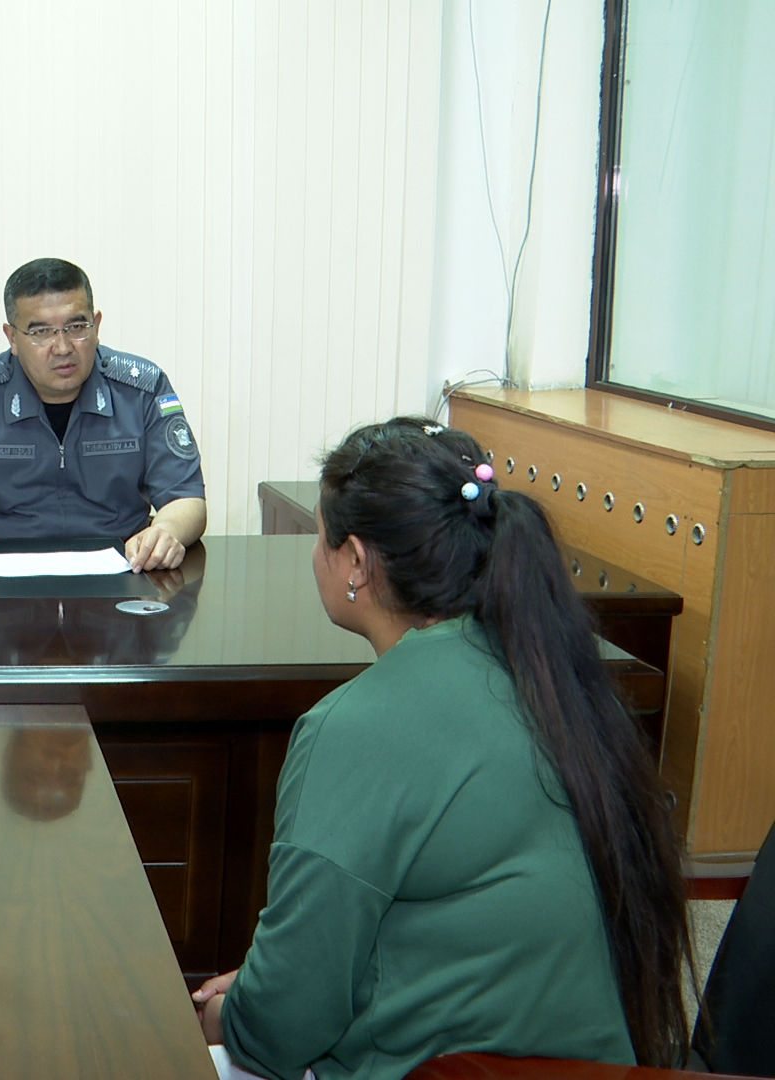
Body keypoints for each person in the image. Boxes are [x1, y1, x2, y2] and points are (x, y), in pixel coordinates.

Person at [191, 418, 691, 1080]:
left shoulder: (353, 727)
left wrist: (233, 1015)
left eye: (319, 536)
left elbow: (283, 1027)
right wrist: (269, 984)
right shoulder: (555, 674)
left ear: (357, 564)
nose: (315, 553)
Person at [0, 258, 208, 572]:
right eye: (41, 332)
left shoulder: (142, 389)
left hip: (123, 575)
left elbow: (186, 497)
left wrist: (165, 534)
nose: (62, 347)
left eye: (76, 327)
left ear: (96, 325)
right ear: (12, 338)